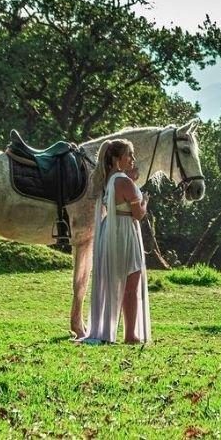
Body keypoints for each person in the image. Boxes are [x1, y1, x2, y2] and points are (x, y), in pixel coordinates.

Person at [79, 139, 151, 344]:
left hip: (110, 230)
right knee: (131, 283)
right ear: (118, 158)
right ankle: (130, 334)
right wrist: (144, 202)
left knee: (115, 281)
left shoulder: (108, 180)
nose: (133, 159)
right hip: (124, 231)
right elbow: (137, 215)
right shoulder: (124, 182)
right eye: (130, 154)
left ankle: (115, 330)